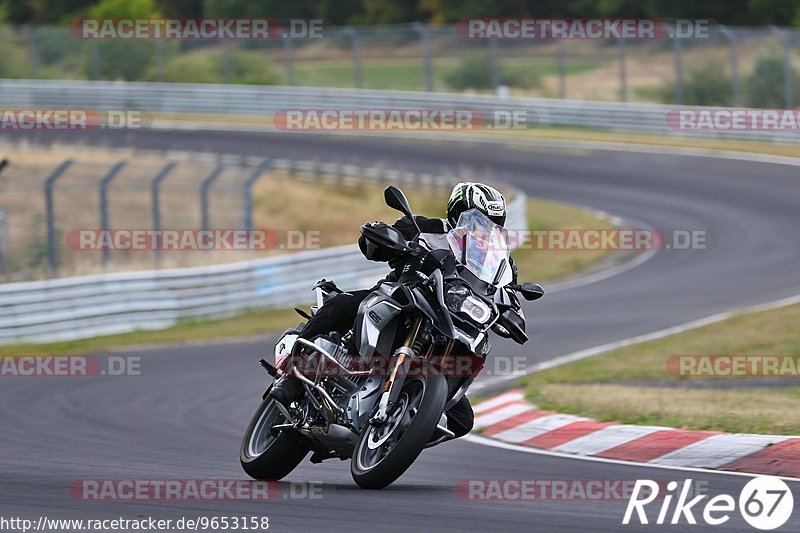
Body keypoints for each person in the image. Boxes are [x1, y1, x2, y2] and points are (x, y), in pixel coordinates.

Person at [270, 182, 513, 440]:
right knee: (342, 304)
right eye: (475, 219)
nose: (483, 227)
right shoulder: (425, 227)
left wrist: (513, 310)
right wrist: (388, 238)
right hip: (400, 296)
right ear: (456, 212)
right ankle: (293, 377)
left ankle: (396, 432)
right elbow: (370, 245)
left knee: (461, 419)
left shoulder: (497, 261)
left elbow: (507, 290)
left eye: (491, 223)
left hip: (449, 319)